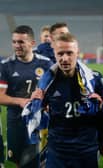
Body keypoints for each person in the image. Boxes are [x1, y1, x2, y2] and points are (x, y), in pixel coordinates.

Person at [30, 32, 103, 168]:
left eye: (69, 53)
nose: (65, 58)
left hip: (86, 150)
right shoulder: (46, 83)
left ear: (77, 53)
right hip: (57, 151)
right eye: (60, 54)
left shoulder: (94, 80)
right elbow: (37, 114)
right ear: (55, 54)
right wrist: (35, 105)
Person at [0, 25, 53, 168]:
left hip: (40, 122)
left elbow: (55, 91)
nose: (17, 45)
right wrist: (21, 101)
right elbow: (0, 96)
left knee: (41, 163)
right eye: (14, 42)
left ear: (32, 43)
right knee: (20, 163)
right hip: (16, 123)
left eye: (21, 42)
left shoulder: (46, 64)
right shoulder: (6, 66)